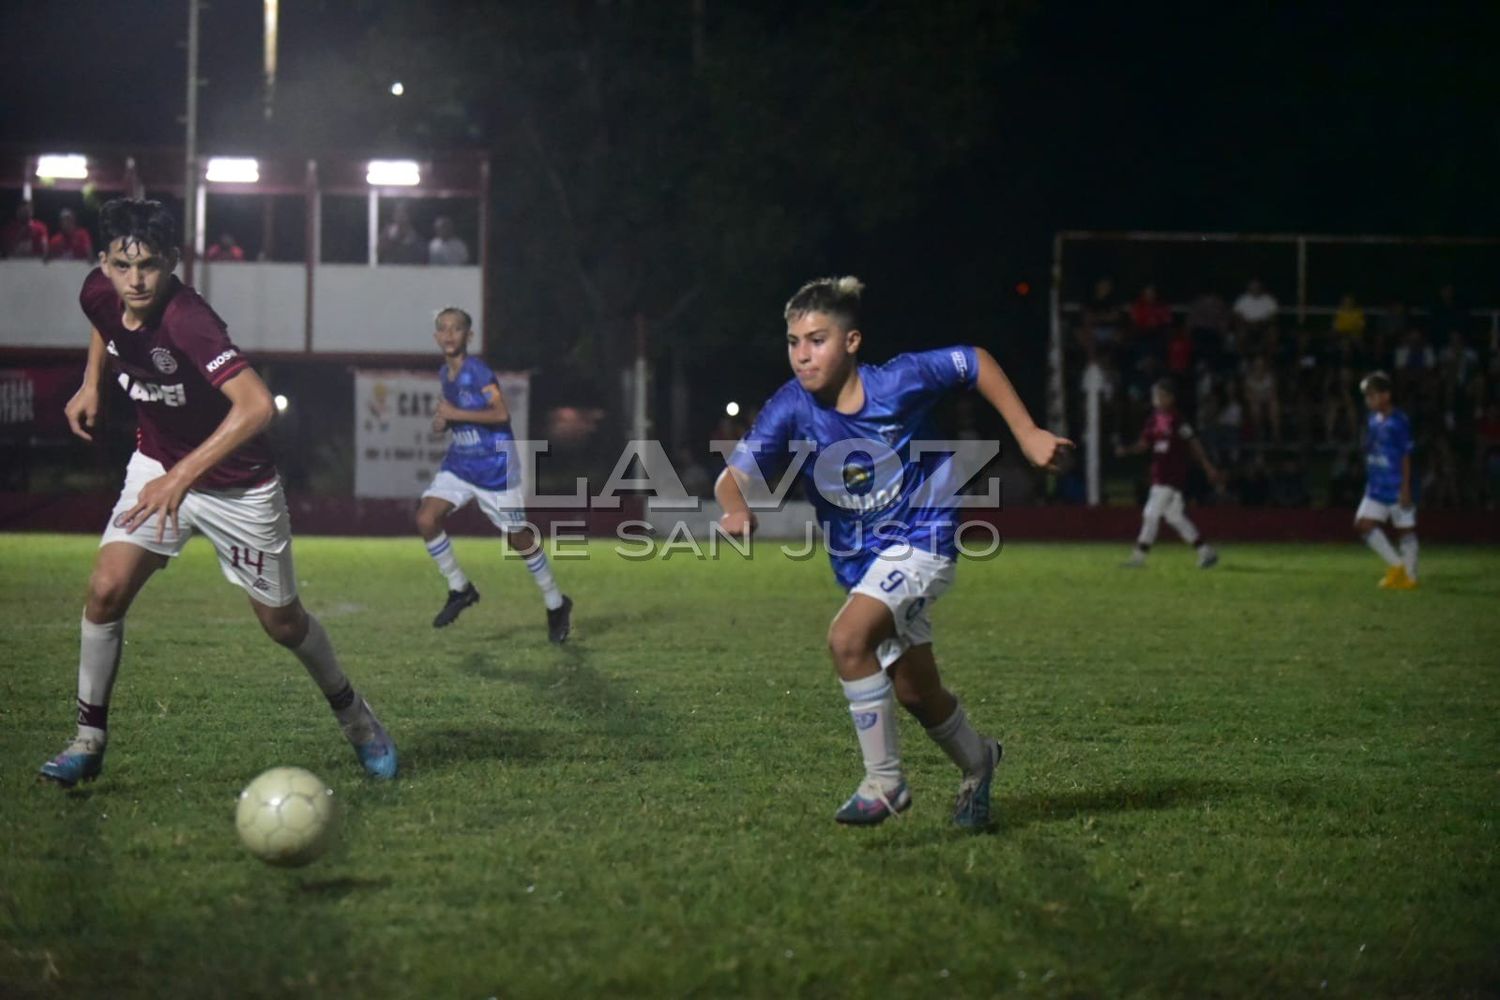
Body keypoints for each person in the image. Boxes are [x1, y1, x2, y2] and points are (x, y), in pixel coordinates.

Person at [37, 199, 396, 787]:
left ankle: (358, 719)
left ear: (174, 262)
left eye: (150, 266)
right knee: (104, 591)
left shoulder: (188, 320)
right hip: (157, 463)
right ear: (104, 264)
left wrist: (182, 478)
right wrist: (90, 383)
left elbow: (256, 408)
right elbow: (106, 325)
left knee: (281, 624)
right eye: (123, 267)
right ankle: (88, 740)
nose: (136, 281)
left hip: (238, 487)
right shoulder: (98, 293)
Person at [714, 276, 1072, 828]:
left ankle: (884, 781)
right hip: (862, 562)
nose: (802, 355)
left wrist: (1026, 434)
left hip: (924, 538)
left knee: (846, 639)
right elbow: (730, 477)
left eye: (817, 340)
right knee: (915, 692)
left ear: (852, 342)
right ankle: (980, 762)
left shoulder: (899, 381)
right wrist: (735, 506)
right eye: (793, 342)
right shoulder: (790, 406)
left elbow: (974, 361)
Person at [416, 307, 573, 639]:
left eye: (456, 329)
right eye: (443, 329)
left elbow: (501, 413)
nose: (448, 334)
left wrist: (455, 412)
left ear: (468, 336)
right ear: (435, 337)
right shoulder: (446, 373)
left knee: (518, 539)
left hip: (496, 469)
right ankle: (460, 589)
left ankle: (556, 602)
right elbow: (451, 413)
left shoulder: (478, 371)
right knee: (426, 518)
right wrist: (442, 422)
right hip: (460, 464)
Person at [1116, 379, 1223, 569]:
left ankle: (1138, 558)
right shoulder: (1154, 419)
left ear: (1170, 398)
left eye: (1159, 395)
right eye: (1155, 396)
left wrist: (1208, 466)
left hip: (1171, 476)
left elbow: (1193, 443)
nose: (1156, 399)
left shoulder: (1177, 420)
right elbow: (1144, 443)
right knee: (1175, 517)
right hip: (1159, 474)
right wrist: (1127, 449)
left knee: (1150, 513)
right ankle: (1206, 552)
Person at [1354, 371, 1419, 589]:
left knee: (1405, 530)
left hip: (1396, 484)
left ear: (1386, 396)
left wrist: (1405, 488)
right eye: (1366, 396)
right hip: (1376, 485)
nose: (1368, 400)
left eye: (1372, 395)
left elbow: (1405, 456)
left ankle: (1409, 577)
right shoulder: (1373, 420)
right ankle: (1397, 566)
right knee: (1363, 524)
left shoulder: (1399, 421)